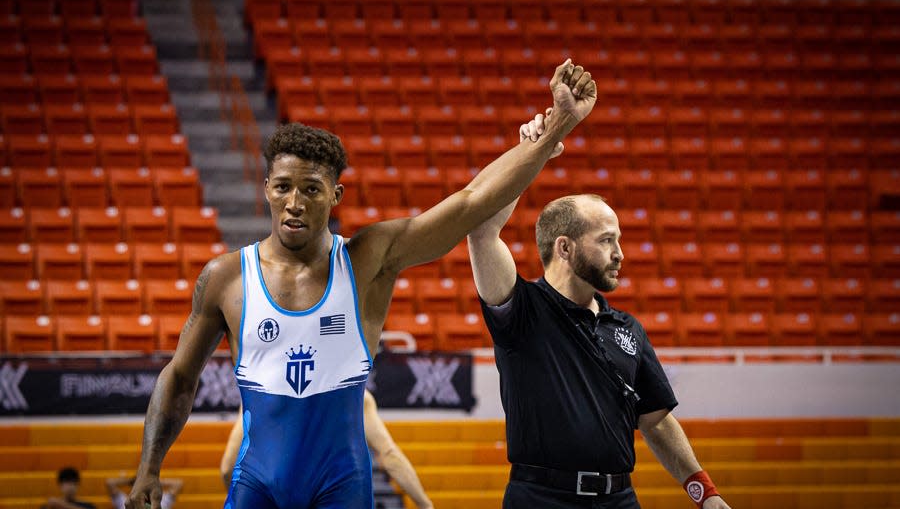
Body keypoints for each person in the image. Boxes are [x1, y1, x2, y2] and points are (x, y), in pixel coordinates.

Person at [126, 59, 597, 509]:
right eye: (283, 187)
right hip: (257, 486)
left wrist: (556, 127)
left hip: (342, 486)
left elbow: (470, 203)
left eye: (311, 189)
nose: (294, 203)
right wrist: (149, 466)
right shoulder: (226, 277)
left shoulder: (367, 258)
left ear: (336, 195)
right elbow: (180, 376)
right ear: (266, 186)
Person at [464, 111, 732, 508]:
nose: (619, 254)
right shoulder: (522, 311)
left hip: (619, 499)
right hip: (540, 499)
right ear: (565, 247)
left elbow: (655, 420)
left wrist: (705, 493)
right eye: (606, 240)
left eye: (618, 240)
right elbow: (481, 229)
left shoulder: (627, 328)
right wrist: (531, 152)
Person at [220, 390, 434, 509]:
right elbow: (389, 456)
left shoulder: (259, 394)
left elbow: (228, 467)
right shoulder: (356, 397)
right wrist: (425, 506)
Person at [107, 476, 181, 509]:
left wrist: (152, 481)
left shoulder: (162, 501)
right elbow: (110, 483)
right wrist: (132, 481)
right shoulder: (124, 501)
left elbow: (178, 483)